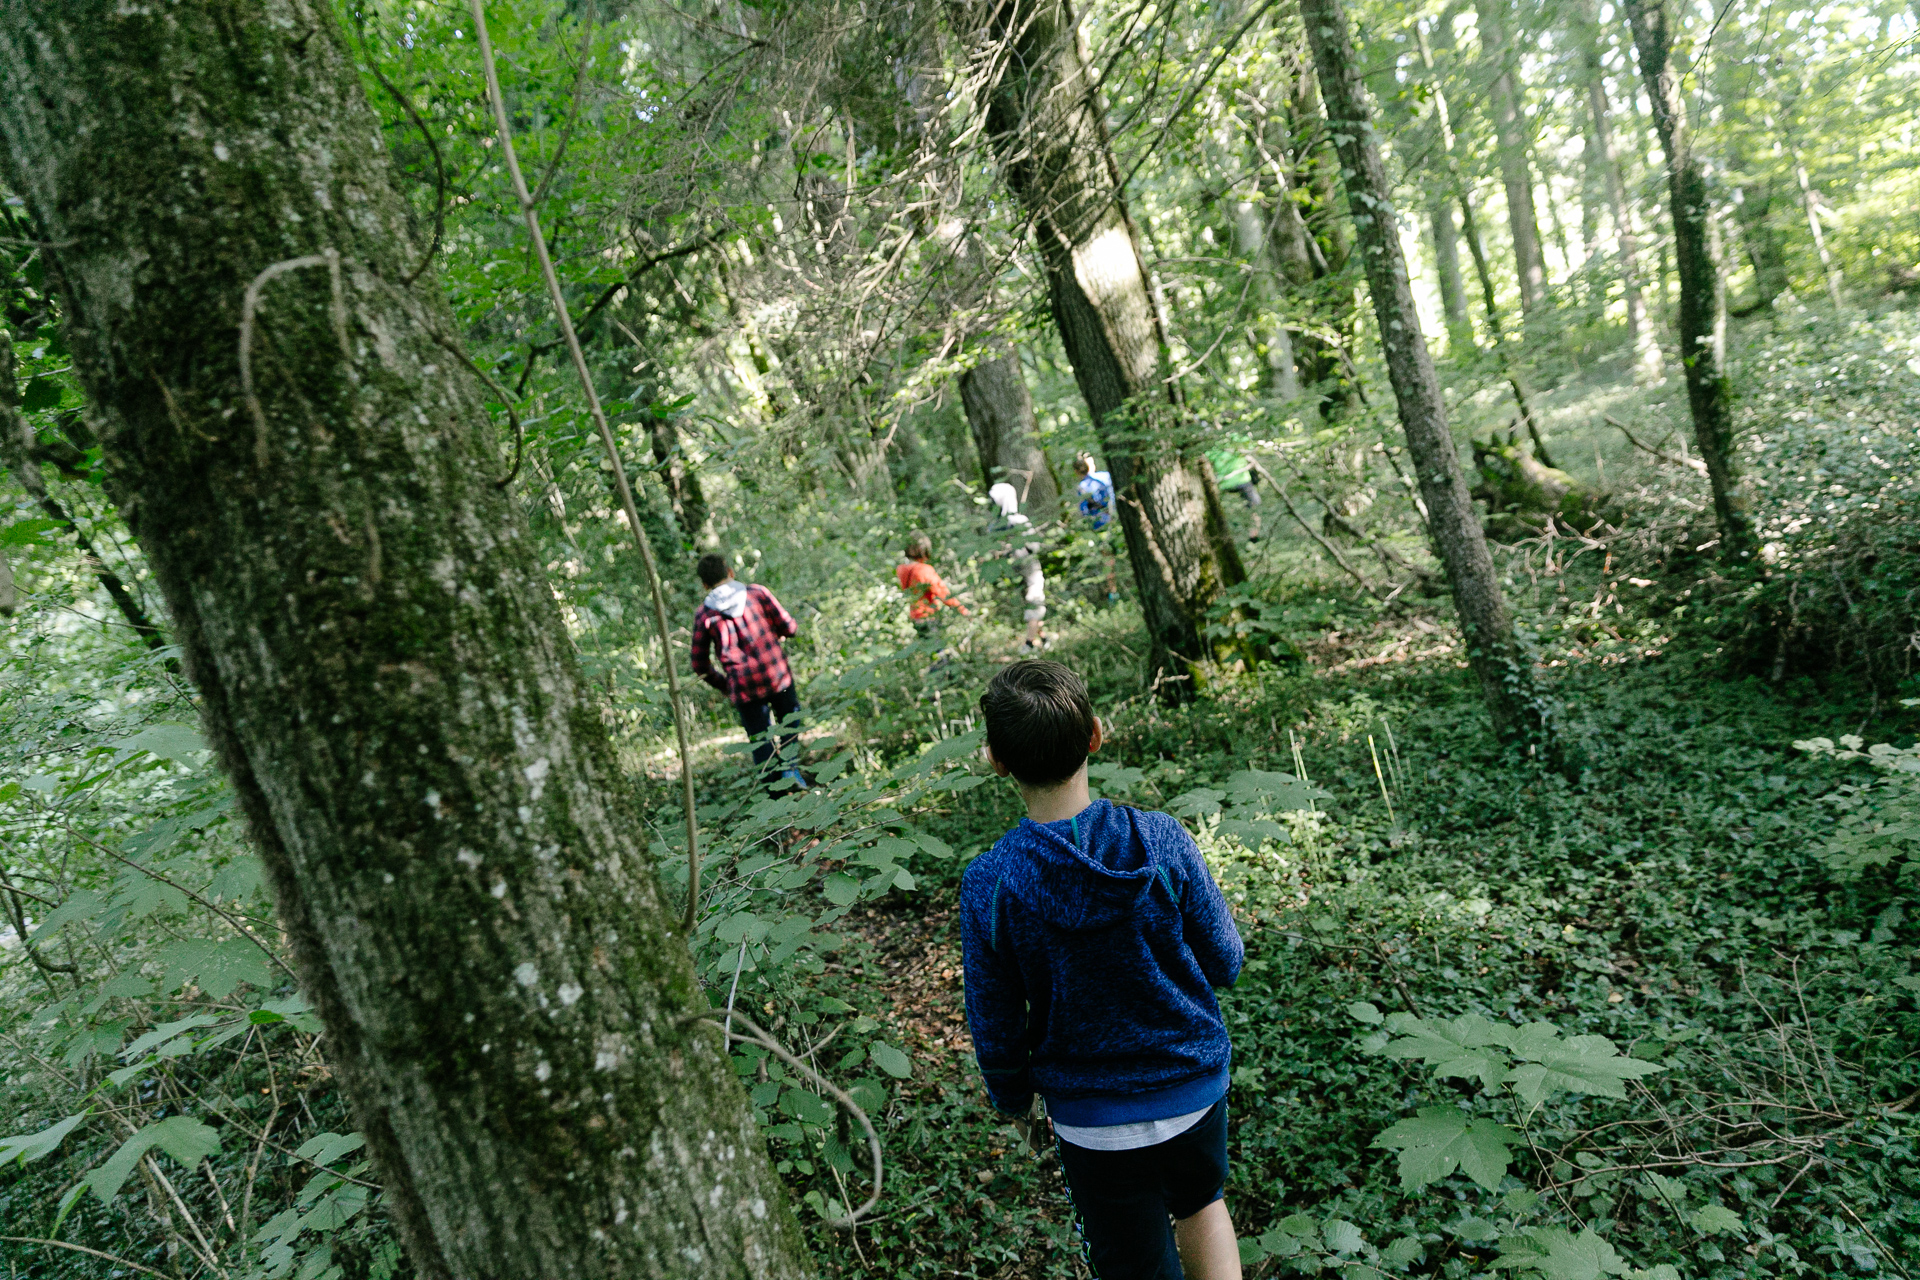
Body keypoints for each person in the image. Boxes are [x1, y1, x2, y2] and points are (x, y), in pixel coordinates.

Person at [961, 661, 1245, 1280]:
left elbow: (995, 1018)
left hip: (1090, 1119)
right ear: (1095, 734)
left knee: (1131, 1257)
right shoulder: (1163, 841)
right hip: (1191, 1085)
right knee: (1202, 1206)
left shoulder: (991, 883)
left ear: (996, 761)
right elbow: (1226, 961)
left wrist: (1013, 1099)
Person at [689, 553, 806, 789]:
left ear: (704, 584)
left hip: (743, 687)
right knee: (791, 719)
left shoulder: (704, 615)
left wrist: (725, 685)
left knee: (759, 740)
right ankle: (790, 769)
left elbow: (699, 665)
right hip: (777, 676)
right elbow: (789, 627)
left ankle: (776, 797)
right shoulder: (757, 593)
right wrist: (779, 633)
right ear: (730, 572)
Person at [988, 481, 1048, 653]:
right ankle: (1028, 645)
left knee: (1031, 602)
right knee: (1034, 601)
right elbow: (1034, 546)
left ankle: (1043, 638)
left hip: (1012, 570)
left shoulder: (994, 526)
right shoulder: (1019, 521)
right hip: (1029, 567)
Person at [898, 532, 969, 640]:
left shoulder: (901, 569)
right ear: (923, 550)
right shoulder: (924, 569)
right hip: (929, 617)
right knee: (940, 652)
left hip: (915, 616)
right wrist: (962, 610)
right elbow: (942, 593)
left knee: (930, 651)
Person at [1206, 444, 1262, 543]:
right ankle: (1252, 528)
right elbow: (1252, 445)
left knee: (1251, 506)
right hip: (1242, 482)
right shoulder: (1237, 441)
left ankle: (1250, 527)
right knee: (1254, 506)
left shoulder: (1215, 448)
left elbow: (1207, 455)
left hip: (1226, 485)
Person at [1074, 454, 1114, 530]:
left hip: (1099, 522)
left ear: (1076, 471)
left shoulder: (1082, 486)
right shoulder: (1106, 476)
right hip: (1116, 516)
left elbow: (1084, 510)